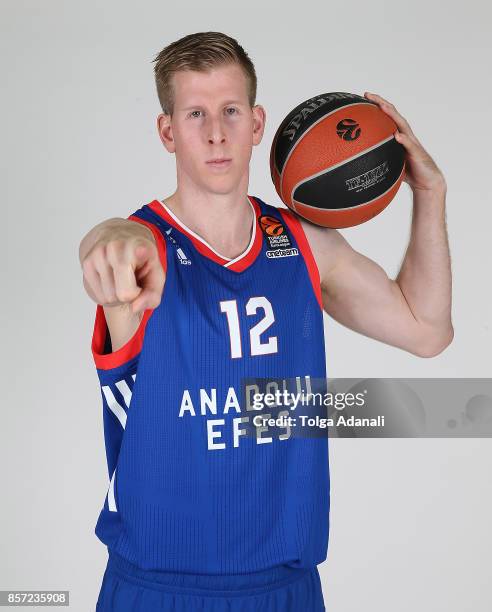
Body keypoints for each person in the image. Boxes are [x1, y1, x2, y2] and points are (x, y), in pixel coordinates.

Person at [79, 31, 453, 612]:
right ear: (167, 131)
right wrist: (109, 237)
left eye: (230, 111)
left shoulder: (305, 245)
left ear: (257, 124)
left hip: (285, 586)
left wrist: (429, 192)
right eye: (195, 114)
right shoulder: (142, 247)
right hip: (157, 587)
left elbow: (427, 331)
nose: (215, 132)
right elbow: (113, 242)